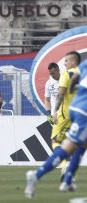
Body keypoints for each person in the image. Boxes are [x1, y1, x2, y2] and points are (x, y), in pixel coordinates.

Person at [24, 51, 85, 199]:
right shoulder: (68, 74)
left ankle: (67, 180)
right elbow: (62, 93)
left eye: (66, 61)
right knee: (67, 144)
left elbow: (68, 89)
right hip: (82, 113)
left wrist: (55, 111)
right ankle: (44, 174)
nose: (64, 63)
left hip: (75, 110)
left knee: (78, 145)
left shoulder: (81, 67)